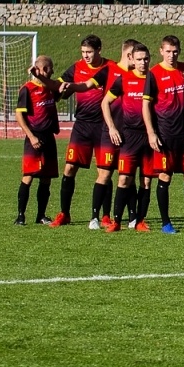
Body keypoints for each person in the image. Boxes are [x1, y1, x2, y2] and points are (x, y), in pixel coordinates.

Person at [52, 34, 118, 228]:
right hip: (82, 126)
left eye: (89, 52)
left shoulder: (110, 67)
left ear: (99, 50)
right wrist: (60, 90)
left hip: (103, 126)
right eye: (83, 52)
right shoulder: (76, 67)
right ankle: (64, 213)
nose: (86, 56)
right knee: (70, 168)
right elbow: (59, 88)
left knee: (104, 171)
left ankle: (105, 215)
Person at [148, 35, 184, 234]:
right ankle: (165, 223)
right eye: (168, 51)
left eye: (175, 51)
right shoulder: (153, 73)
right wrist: (151, 133)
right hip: (165, 135)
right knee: (165, 177)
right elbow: (146, 105)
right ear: (161, 51)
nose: (172, 55)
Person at [101, 43, 154, 231]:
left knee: (146, 181)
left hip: (150, 138)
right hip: (129, 137)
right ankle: (116, 221)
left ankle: (140, 221)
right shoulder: (124, 79)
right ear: (132, 59)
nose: (143, 63)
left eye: (146, 59)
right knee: (124, 179)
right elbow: (105, 102)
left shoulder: (153, 79)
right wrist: (112, 128)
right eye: (139, 59)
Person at [14, 55, 63, 225]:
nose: (53, 71)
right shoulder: (27, 89)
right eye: (50, 68)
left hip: (49, 137)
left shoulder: (51, 87)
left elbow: (59, 94)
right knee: (28, 176)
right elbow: (19, 114)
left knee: (46, 178)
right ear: (42, 69)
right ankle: (20, 216)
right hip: (34, 137)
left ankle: (41, 215)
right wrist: (31, 136)